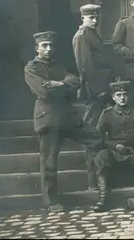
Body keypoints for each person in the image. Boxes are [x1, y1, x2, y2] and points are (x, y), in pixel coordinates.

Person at [24, 31, 103, 212]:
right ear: (37, 49)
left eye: (51, 45)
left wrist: (59, 84)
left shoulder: (58, 66)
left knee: (96, 138)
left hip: (68, 116)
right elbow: (44, 92)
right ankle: (51, 201)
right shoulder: (32, 68)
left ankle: (98, 181)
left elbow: (76, 80)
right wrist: (65, 86)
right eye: (44, 45)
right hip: (49, 118)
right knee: (49, 162)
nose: (49, 49)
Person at [92, 81, 134, 212]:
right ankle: (103, 198)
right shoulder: (107, 114)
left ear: (129, 96)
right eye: (119, 95)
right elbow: (98, 137)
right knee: (101, 157)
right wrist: (113, 145)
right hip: (115, 152)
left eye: (125, 94)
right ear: (113, 97)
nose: (122, 98)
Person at [72, 4, 115, 128]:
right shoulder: (82, 36)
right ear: (82, 18)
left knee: (101, 120)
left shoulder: (92, 34)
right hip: (93, 86)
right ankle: (89, 147)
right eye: (91, 18)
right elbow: (85, 66)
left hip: (102, 82)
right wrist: (98, 89)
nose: (95, 21)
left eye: (97, 18)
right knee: (92, 119)